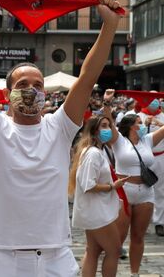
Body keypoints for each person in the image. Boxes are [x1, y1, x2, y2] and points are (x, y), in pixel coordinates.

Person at [0, 0, 122, 277]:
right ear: (7, 95)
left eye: (38, 83)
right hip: (5, 257)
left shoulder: (59, 127)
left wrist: (109, 26)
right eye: (23, 83)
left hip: (56, 255)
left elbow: (88, 76)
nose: (32, 89)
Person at [69, 116, 128, 277]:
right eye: (104, 126)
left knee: (93, 251)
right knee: (114, 251)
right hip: (97, 212)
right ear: (95, 130)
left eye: (109, 125)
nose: (108, 129)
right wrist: (112, 187)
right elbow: (88, 184)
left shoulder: (96, 151)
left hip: (95, 210)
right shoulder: (93, 153)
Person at [111, 114, 164, 277]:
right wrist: (106, 103)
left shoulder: (147, 140)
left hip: (146, 193)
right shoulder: (119, 140)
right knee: (118, 237)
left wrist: (157, 121)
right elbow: (109, 123)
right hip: (124, 192)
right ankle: (110, 271)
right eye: (139, 123)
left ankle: (135, 273)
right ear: (131, 126)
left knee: (138, 236)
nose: (142, 126)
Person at [137, 97, 164, 236]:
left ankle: (159, 222)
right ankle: (141, 221)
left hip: (160, 156)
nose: (155, 103)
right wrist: (143, 126)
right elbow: (133, 136)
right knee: (142, 189)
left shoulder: (163, 116)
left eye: (156, 100)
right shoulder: (139, 116)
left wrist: (160, 124)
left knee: (160, 190)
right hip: (144, 158)